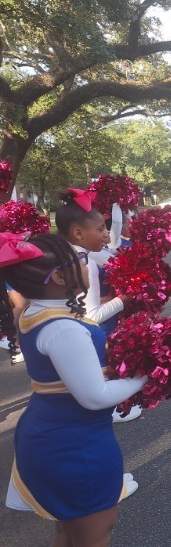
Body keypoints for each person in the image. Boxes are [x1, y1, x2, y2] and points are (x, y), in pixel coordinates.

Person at [1, 232, 146, 547]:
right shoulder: (62, 327)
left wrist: (106, 371)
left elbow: (64, 375)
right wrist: (148, 375)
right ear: (59, 276)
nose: (88, 262)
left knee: (69, 532)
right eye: (81, 259)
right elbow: (95, 397)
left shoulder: (34, 310)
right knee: (96, 531)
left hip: (54, 432)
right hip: (73, 444)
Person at [55, 190, 141, 423]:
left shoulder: (73, 255)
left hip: (81, 327)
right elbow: (91, 315)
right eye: (101, 229)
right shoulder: (85, 264)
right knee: (102, 370)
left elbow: (113, 256)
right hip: (98, 331)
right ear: (78, 233)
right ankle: (110, 410)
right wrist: (124, 299)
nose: (106, 234)